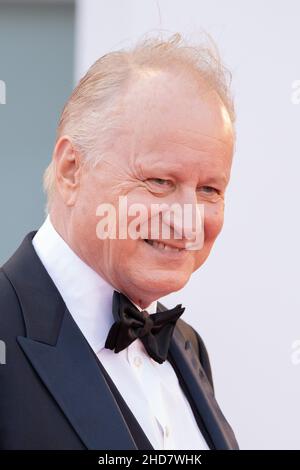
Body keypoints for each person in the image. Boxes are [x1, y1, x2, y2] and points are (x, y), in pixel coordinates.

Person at [0, 34, 238, 450]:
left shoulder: (188, 346)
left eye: (209, 190)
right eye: (160, 181)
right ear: (72, 170)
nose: (187, 221)